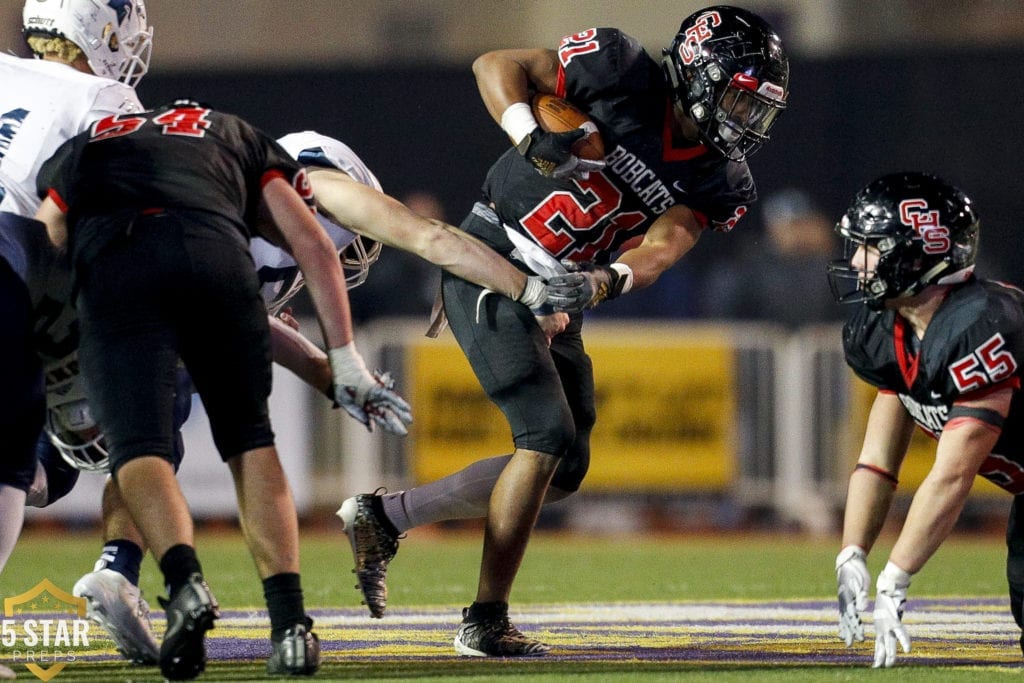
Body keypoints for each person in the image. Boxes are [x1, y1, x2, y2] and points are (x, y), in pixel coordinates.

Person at [337, 5, 789, 656]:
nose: (748, 123)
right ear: (698, 73)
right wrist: (527, 130)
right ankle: (485, 618)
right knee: (544, 435)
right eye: (741, 102)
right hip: (493, 260)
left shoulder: (719, 176)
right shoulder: (619, 69)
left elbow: (664, 245)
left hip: (563, 287)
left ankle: (386, 516)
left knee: (566, 466)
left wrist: (608, 280)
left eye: (758, 110)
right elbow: (494, 65)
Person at [45, 128, 555, 669]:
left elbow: (225, 298)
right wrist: (527, 289)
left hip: (109, 287)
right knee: (243, 441)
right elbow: (417, 239)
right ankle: (280, 621)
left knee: (103, 454)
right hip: (129, 287)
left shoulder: (218, 187)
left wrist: (320, 367)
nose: (360, 243)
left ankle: (124, 570)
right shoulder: (315, 186)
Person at [33, 102, 415, 680]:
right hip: (209, 261)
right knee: (247, 440)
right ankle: (289, 624)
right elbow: (311, 248)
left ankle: (177, 580)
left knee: (138, 446)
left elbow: (48, 232)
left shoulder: (99, 133)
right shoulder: (241, 141)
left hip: (115, 272)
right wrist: (342, 362)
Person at [829, 172, 1024, 668]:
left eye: (871, 248)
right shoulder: (889, 331)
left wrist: (896, 577)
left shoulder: (980, 324)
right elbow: (876, 462)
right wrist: (852, 552)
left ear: (917, 253)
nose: (856, 261)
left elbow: (954, 473)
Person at [703, 188, 845, 327]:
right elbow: (723, 311)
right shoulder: (752, 265)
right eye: (790, 225)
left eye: (801, 224)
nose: (797, 232)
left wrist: (828, 251)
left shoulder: (825, 265)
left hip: (815, 347)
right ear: (772, 228)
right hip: (759, 346)